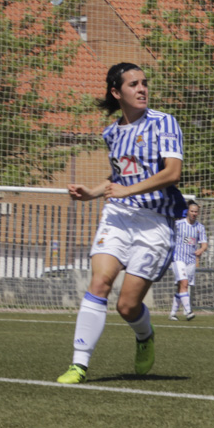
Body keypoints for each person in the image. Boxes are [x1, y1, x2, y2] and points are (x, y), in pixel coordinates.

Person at [57, 63, 186, 384]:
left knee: (127, 306)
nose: (142, 89)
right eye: (133, 84)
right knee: (99, 283)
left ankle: (145, 336)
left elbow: (172, 173)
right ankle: (78, 364)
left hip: (154, 221)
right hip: (117, 216)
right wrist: (91, 192)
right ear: (117, 93)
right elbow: (118, 177)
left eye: (144, 83)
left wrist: (128, 189)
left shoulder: (164, 123)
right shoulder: (111, 132)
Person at [169, 200, 208, 321]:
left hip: (190, 260)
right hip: (178, 258)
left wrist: (201, 250)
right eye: (192, 211)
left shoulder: (200, 227)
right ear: (188, 212)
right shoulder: (178, 224)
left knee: (182, 286)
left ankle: (172, 313)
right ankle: (188, 311)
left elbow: (204, 244)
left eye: (196, 212)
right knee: (184, 284)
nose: (194, 213)